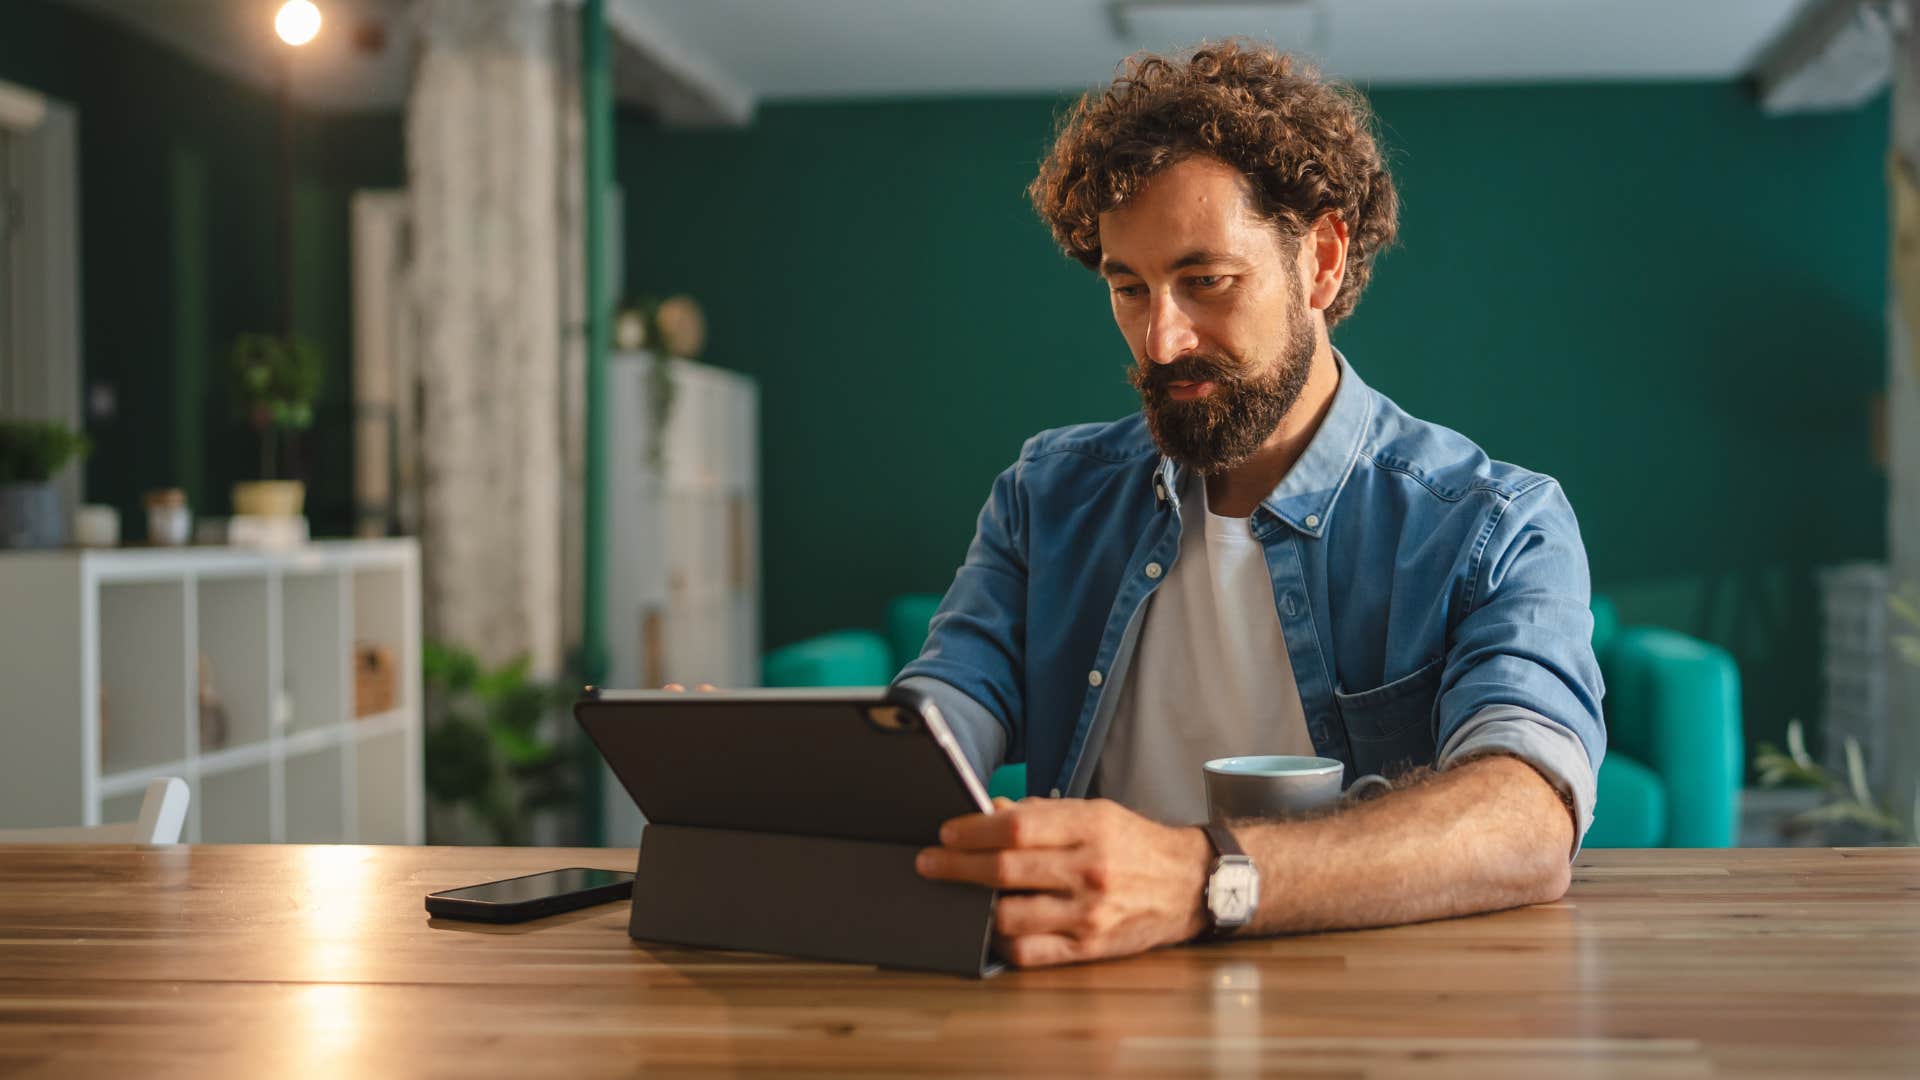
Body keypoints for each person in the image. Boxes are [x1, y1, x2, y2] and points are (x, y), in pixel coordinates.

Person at [899, 41, 1605, 968]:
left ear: (1319, 259)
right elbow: (945, 710)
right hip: (1081, 1007)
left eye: (1206, 282)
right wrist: (785, 778)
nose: (1160, 339)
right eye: (1128, 287)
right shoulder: (1047, 496)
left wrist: (1199, 880)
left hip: (1376, 1014)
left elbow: (1522, 815)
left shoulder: (1493, 526)